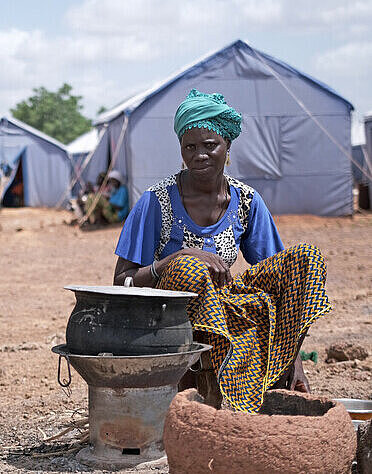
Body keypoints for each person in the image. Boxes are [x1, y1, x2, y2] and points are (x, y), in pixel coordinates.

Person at [113, 89, 331, 413]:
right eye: (190, 147)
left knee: (304, 262)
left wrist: (296, 361)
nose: (199, 155)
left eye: (209, 145)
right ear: (181, 150)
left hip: (222, 314)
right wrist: (175, 260)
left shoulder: (246, 202)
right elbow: (121, 282)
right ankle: (194, 390)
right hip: (165, 323)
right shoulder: (155, 202)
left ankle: (270, 372)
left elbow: (280, 280)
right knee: (191, 270)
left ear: (227, 146)